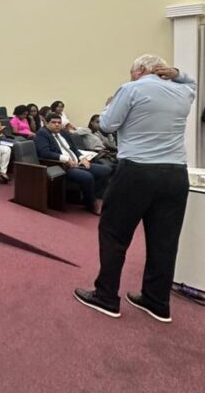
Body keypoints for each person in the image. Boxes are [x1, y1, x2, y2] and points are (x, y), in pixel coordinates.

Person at [74, 56, 195, 322]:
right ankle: (156, 301)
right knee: (165, 241)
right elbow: (192, 84)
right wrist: (177, 74)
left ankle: (106, 297)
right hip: (176, 174)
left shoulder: (131, 89)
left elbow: (106, 125)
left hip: (137, 171)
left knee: (114, 234)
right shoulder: (183, 91)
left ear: (139, 70)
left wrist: (109, 107)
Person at [35, 112, 112, 214]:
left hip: (77, 162)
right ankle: (91, 204)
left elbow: (74, 148)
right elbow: (44, 153)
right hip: (62, 166)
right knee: (87, 177)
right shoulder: (42, 134)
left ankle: (93, 197)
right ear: (46, 123)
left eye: (59, 122)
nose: (57, 125)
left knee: (106, 170)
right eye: (53, 122)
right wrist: (65, 159)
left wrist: (82, 158)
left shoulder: (63, 132)